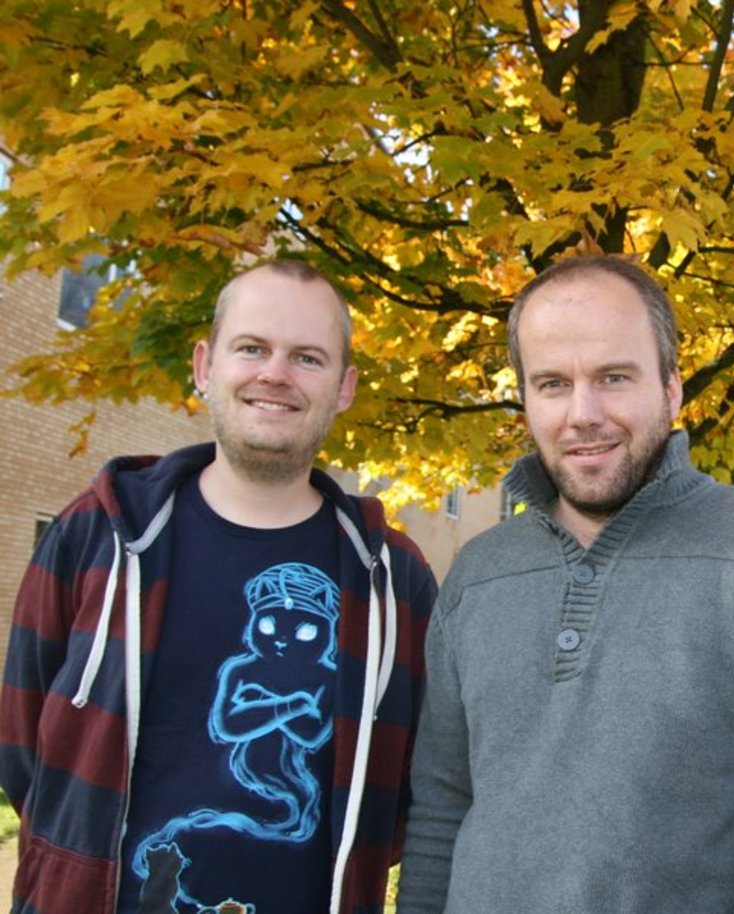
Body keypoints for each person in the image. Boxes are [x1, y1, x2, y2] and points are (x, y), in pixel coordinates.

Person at [397, 256, 734, 913]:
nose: (583, 414)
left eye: (614, 377)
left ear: (671, 388)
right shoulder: (478, 573)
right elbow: (441, 806)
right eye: (553, 384)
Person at [0, 260, 436, 913]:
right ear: (205, 366)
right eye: (252, 348)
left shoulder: (392, 582)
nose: (275, 374)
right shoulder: (98, 536)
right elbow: (25, 747)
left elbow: (411, 789)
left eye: (307, 358)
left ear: (344, 387)